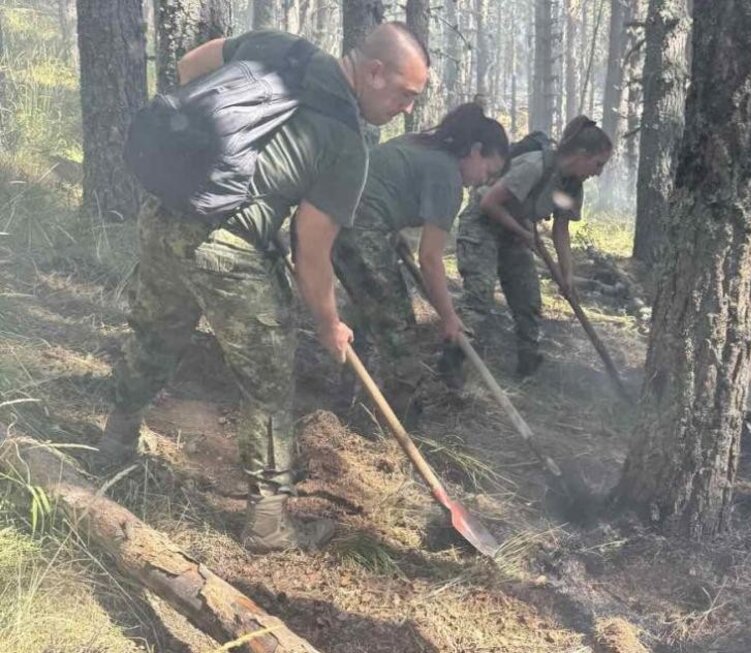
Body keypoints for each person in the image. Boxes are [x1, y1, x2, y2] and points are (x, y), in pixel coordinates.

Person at [96, 24, 430, 552]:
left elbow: (189, 70)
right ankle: (268, 525)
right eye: (406, 95)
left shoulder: (281, 48)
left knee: (156, 334)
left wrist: (225, 161)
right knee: (269, 383)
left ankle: (114, 440)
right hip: (228, 253)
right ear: (373, 73)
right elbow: (311, 252)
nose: (407, 109)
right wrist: (328, 325)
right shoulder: (346, 144)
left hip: (164, 216)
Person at [332, 103, 508, 419]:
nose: (483, 181)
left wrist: (391, 229)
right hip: (359, 229)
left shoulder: (422, 144)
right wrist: (449, 317)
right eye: (488, 171)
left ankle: (345, 406)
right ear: (475, 150)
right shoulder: (448, 177)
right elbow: (430, 259)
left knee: (365, 317)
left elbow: (386, 184)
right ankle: (403, 421)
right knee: (399, 330)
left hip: (337, 220)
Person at [455, 116, 612, 378]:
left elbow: (560, 230)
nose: (598, 172)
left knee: (528, 300)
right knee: (478, 299)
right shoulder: (535, 165)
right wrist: (522, 231)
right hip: (483, 225)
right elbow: (489, 204)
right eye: (598, 164)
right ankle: (454, 366)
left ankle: (527, 370)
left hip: (516, 232)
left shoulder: (572, 186)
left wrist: (567, 275)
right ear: (582, 155)